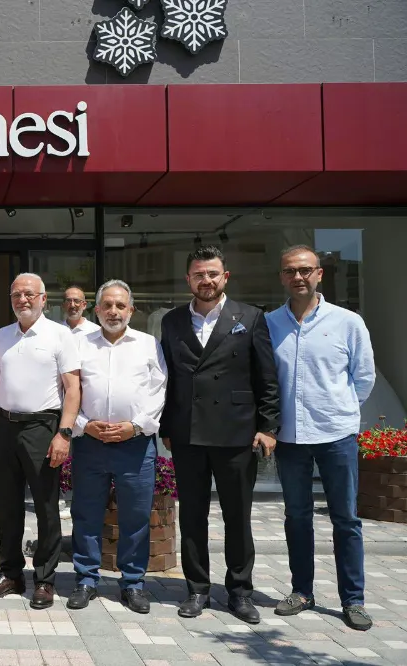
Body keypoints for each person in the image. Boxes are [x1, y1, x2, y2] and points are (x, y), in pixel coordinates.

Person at [159, 246, 280, 624]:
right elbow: (168, 379)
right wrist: (166, 426)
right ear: (188, 279)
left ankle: (240, 591)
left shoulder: (251, 317)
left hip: (236, 432)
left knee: (237, 517)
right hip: (188, 433)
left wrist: (268, 426)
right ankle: (197, 589)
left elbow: (267, 377)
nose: (206, 280)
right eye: (199, 274)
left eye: (212, 273)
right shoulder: (172, 321)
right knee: (192, 516)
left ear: (225, 277)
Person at [266, 245, 376, 631]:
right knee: (296, 517)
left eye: (305, 270)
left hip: (336, 435)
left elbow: (364, 377)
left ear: (319, 274)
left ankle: (353, 600)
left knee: (345, 518)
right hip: (290, 438)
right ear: (282, 277)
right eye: (290, 271)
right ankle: (301, 591)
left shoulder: (348, 322)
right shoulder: (270, 324)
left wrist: (339, 410)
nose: (298, 277)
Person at [0, 273, 81, 610]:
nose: (22, 300)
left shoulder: (60, 335)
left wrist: (64, 433)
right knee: (8, 506)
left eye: (29, 294)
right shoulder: (3, 335)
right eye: (16, 295)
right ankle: (10, 574)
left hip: (43, 426)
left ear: (43, 299)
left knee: (46, 508)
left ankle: (45, 579)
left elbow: (73, 389)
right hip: (6, 425)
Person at [67, 280, 167, 615]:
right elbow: (68, 389)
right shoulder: (79, 345)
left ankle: (133, 583)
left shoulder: (148, 344)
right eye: (107, 305)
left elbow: (159, 390)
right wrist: (84, 424)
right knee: (86, 513)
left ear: (131, 310)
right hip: (90, 443)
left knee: (136, 516)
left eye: (120, 305)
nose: (113, 311)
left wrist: (134, 426)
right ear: (96, 309)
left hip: (135, 445)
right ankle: (85, 579)